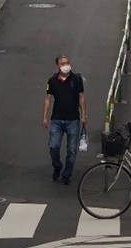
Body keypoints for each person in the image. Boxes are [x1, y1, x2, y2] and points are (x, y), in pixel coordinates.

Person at [42, 55, 87, 185]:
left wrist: (84, 115)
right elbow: (48, 99)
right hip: (57, 119)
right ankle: (57, 166)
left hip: (73, 119)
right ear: (58, 66)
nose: (66, 65)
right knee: (54, 146)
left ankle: (67, 174)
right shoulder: (52, 81)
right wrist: (44, 116)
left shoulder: (76, 79)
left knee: (72, 150)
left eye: (67, 63)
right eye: (63, 63)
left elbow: (81, 97)